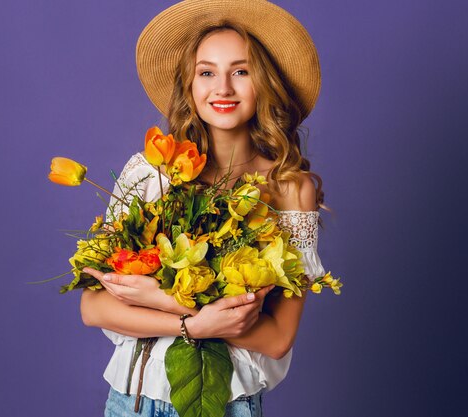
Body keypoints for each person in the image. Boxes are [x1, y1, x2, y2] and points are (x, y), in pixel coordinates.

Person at [81, 1, 326, 416]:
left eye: (241, 71)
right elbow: (93, 307)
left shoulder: (290, 188)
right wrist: (191, 323)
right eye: (207, 72)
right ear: (190, 85)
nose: (223, 88)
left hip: (229, 406)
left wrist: (160, 300)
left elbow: (278, 337)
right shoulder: (150, 171)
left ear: (263, 83)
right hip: (132, 403)